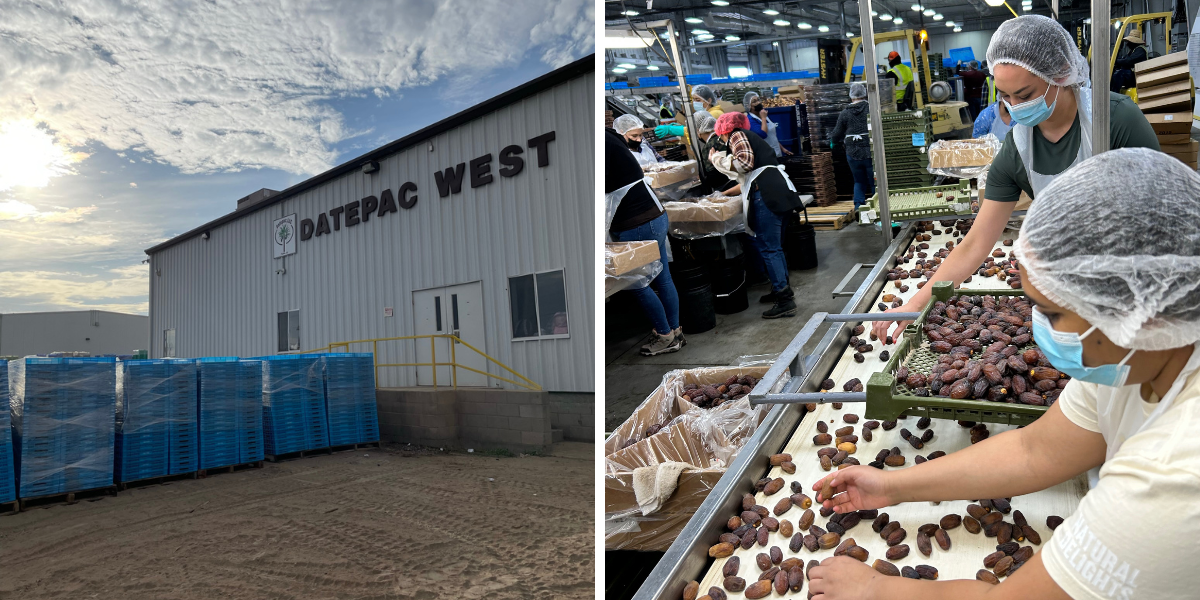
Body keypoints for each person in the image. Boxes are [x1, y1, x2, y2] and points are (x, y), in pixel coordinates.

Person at [807, 148, 1200, 600]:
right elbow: (1036, 450)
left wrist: (877, 591)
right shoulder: (1136, 358)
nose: (1037, 329)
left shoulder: (1176, 471)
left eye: (1051, 312)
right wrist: (891, 486)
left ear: (1140, 311)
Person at [872, 14, 1159, 342]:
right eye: (1006, 97)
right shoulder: (1017, 150)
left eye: (1024, 95)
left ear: (1061, 74)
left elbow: (1162, 220)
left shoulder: (1115, 121)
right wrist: (913, 304)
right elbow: (977, 243)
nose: (1016, 108)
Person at [708, 111, 803, 319]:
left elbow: (744, 164)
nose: (722, 140)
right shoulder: (749, 138)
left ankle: (785, 300)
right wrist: (723, 192)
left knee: (770, 249)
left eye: (720, 135)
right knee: (774, 247)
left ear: (723, 130)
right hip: (780, 193)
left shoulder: (736, 135)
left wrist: (718, 159)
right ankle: (780, 289)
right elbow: (746, 177)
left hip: (766, 196)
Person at [603, 127, 683, 355]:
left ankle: (664, 335)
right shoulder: (612, 137)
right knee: (663, 277)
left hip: (635, 222)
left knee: (636, 283)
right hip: (654, 216)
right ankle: (675, 332)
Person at [830, 82, 874, 208]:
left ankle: (858, 207)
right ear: (865, 94)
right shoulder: (871, 109)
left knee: (859, 181)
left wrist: (834, 143)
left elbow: (836, 133)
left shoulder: (845, 113)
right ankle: (878, 207)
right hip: (869, 151)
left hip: (852, 153)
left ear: (851, 96)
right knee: (874, 182)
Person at [742, 91, 792, 158]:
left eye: (758, 100)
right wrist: (763, 118)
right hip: (766, 156)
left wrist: (783, 149)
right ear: (748, 106)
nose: (758, 103)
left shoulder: (764, 116)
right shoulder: (751, 120)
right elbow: (763, 134)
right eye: (754, 101)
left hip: (777, 153)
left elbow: (771, 136)